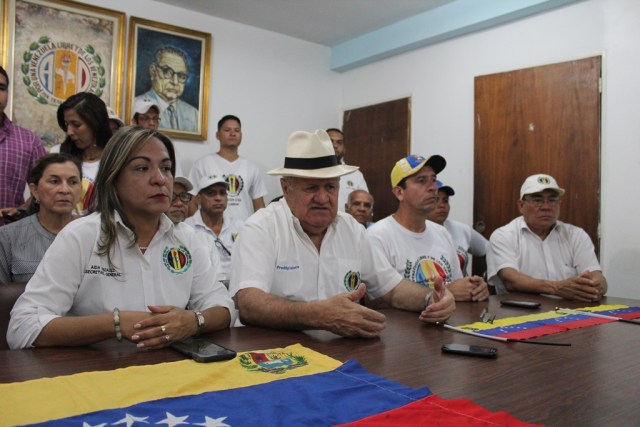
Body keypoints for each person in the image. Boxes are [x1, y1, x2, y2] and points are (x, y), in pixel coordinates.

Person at [8, 126, 234, 349]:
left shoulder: (187, 238)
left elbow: (224, 308)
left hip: (170, 371)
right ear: (113, 179)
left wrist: (194, 321)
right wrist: (113, 323)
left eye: (166, 168)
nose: (160, 179)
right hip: (94, 373)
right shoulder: (81, 236)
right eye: (142, 168)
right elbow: (22, 327)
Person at [229, 130, 455, 338]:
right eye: (311, 188)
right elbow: (249, 304)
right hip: (277, 359)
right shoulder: (261, 228)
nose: (322, 198)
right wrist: (317, 315)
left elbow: (392, 288)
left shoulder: (352, 229)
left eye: (330, 187)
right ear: (286, 188)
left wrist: (431, 299)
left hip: (341, 357)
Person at [368, 155, 489, 302]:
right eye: (421, 181)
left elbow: (457, 286)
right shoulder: (377, 236)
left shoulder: (442, 233)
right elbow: (380, 299)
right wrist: (445, 293)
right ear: (399, 192)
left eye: (433, 179)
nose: (433, 187)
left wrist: (474, 289)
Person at [487, 173, 607, 301]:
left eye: (552, 200)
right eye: (538, 200)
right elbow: (511, 281)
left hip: (569, 312)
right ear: (521, 206)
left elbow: (598, 278)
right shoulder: (504, 236)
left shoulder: (576, 235)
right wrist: (557, 288)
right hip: (520, 313)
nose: (546, 207)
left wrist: (595, 287)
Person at [0, 154, 82, 283]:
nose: (65, 190)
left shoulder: (94, 234)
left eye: (72, 182)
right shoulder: (7, 237)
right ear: (35, 190)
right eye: (54, 181)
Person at [189, 115, 267, 223]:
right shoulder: (202, 164)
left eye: (237, 130)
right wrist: (194, 229)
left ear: (241, 135)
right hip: (209, 231)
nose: (232, 133)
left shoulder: (252, 168)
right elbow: (192, 202)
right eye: (227, 130)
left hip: (243, 232)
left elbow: (259, 206)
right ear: (217, 135)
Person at [51, 92, 112, 216]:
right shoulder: (57, 153)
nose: (69, 132)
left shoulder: (115, 159)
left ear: (95, 125)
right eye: (67, 124)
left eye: (76, 125)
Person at [0, 66, 47, 225]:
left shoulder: (28, 141)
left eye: (1, 88)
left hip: (10, 238)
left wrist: (22, 210)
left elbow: (46, 185)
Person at [185, 175, 243, 285]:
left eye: (222, 193)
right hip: (203, 290)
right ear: (198, 199)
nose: (218, 198)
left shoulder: (240, 226)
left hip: (237, 288)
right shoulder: (187, 228)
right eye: (211, 193)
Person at [427, 180, 489, 277]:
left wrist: (487, 276)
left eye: (445, 200)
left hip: (463, 290)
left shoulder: (461, 229)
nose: (442, 205)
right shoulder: (415, 233)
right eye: (435, 200)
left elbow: (489, 249)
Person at [134, 46, 198, 132]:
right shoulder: (135, 105)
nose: (175, 82)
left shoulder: (194, 114)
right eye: (167, 72)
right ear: (153, 71)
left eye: (181, 76)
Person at [326, 128, 369, 212]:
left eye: (339, 143)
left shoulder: (355, 174)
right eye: (330, 141)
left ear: (344, 148)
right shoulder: (308, 171)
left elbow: (365, 204)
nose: (335, 146)